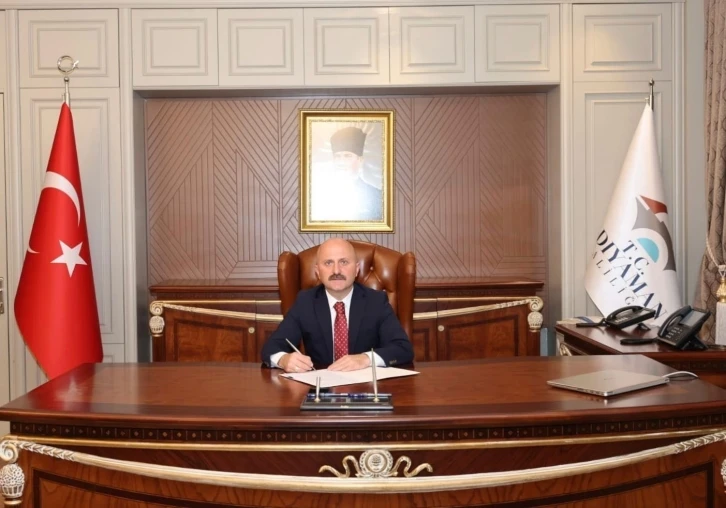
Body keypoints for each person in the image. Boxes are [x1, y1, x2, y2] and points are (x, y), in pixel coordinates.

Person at [261, 238, 413, 372]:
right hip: (321, 387)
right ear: (318, 271)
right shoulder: (305, 301)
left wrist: (366, 359)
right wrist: (284, 359)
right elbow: (271, 348)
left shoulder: (376, 301)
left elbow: (403, 349)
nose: (336, 270)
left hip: (364, 388)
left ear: (356, 269)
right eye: (328, 263)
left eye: (344, 262)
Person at [310, 126, 383, 222]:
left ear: (360, 160)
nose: (341, 162)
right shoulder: (319, 195)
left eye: (347, 156)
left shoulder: (377, 196)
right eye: (337, 156)